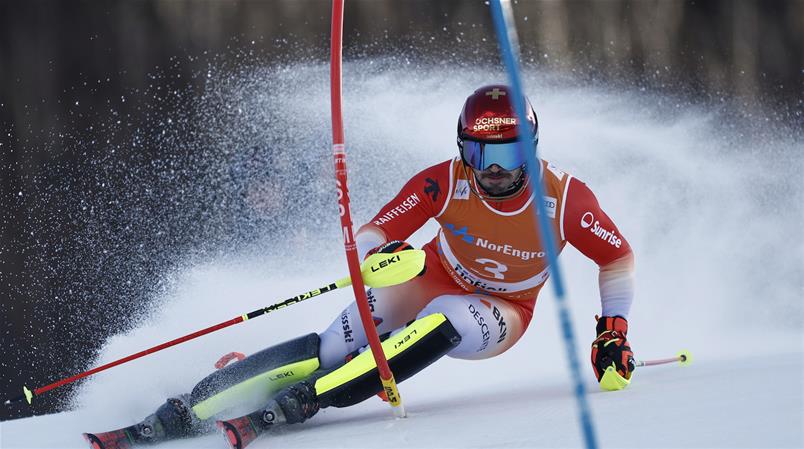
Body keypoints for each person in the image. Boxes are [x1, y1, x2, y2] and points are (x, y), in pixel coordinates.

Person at [83, 85, 636, 449]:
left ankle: (305, 403)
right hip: (431, 273)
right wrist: (378, 257)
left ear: (532, 148)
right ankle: (187, 406)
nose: (493, 172)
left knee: (448, 316)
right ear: (461, 149)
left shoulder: (565, 200)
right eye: (479, 156)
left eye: (510, 157)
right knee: (332, 348)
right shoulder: (443, 180)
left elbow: (617, 257)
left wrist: (612, 330)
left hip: (502, 309)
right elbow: (375, 231)